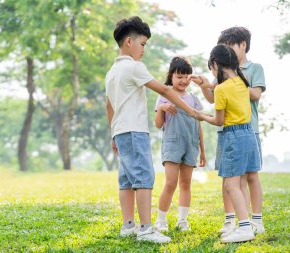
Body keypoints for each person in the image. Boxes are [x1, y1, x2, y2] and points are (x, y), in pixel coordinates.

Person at [105, 16, 198, 244]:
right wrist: (192, 112)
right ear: (129, 42)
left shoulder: (111, 73)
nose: (144, 49)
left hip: (120, 130)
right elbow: (165, 91)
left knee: (126, 179)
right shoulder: (134, 67)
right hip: (135, 131)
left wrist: (113, 134)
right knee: (144, 177)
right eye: (143, 44)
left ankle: (129, 226)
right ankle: (146, 229)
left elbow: (109, 105)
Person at [193, 27, 266, 236]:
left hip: (237, 134)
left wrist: (201, 116)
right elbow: (216, 98)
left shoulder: (235, 81)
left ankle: (248, 225)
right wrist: (207, 86)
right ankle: (239, 223)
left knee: (238, 181)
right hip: (245, 132)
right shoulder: (238, 81)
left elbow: (219, 118)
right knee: (234, 182)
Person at [154, 56, 205, 233]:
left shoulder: (193, 99)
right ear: (171, 76)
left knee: (186, 184)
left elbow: (198, 126)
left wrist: (203, 151)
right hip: (172, 143)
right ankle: (161, 220)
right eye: (179, 76)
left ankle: (182, 220)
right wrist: (162, 109)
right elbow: (158, 124)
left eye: (187, 76)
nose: (183, 80)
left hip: (191, 145)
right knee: (170, 183)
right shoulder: (164, 95)